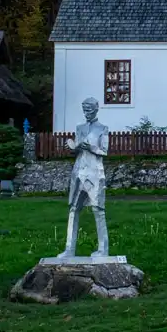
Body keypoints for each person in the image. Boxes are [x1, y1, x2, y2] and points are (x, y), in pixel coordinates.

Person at [60, 97, 111, 258]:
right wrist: (72, 148)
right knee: (73, 209)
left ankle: (103, 249)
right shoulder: (80, 128)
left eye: (89, 110)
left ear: (96, 109)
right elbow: (76, 149)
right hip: (78, 172)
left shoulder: (103, 128)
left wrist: (91, 147)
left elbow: (104, 150)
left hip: (95, 173)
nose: (86, 113)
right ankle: (69, 249)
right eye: (84, 110)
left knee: (98, 210)